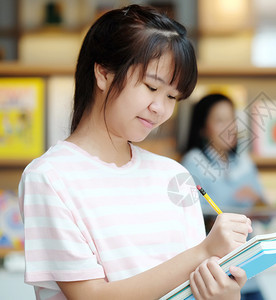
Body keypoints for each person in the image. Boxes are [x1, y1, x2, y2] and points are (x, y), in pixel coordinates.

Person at [18, 5, 252, 300]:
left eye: (171, 96)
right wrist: (203, 252)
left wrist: (223, 294)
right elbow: (90, 297)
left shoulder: (175, 176)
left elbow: (192, 286)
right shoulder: (50, 178)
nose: (160, 109)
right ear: (103, 73)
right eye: (151, 87)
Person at [182, 93, 266, 300]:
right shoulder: (194, 162)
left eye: (231, 119)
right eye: (219, 120)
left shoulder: (244, 162)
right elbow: (193, 221)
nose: (229, 127)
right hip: (216, 276)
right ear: (203, 128)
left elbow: (268, 212)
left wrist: (257, 200)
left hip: (249, 271)